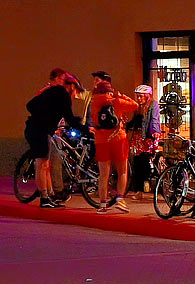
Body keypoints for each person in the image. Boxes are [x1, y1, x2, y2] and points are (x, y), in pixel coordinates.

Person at [24, 69, 83, 208]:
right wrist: (45, 119)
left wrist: (44, 117)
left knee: (45, 164)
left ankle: (49, 196)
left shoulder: (54, 92)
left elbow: (31, 105)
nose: (75, 96)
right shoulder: (58, 92)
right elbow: (69, 117)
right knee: (42, 164)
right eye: (62, 79)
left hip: (39, 129)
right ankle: (44, 198)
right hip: (39, 130)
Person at [89, 78, 140, 212]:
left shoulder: (94, 103)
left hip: (101, 140)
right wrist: (120, 95)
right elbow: (135, 105)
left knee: (103, 174)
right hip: (118, 138)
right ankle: (119, 198)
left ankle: (103, 204)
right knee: (122, 170)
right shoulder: (116, 102)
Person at [126, 85, 160, 200]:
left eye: (141, 96)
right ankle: (138, 190)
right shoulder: (138, 107)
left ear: (147, 96)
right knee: (136, 162)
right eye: (138, 96)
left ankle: (146, 185)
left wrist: (155, 131)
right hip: (137, 137)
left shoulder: (152, 104)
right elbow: (135, 121)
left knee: (145, 161)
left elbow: (155, 119)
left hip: (147, 137)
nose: (139, 99)